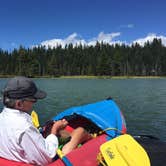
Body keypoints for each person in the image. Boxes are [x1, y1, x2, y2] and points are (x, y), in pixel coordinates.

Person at [0, 76, 91, 166]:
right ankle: (93, 141)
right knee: (80, 131)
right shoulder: (24, 128)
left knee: (52, 131)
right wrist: (55, 129)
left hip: (15, 158)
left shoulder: (2, 117)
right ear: (19, 104)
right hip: (48, 161)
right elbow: (47, 158)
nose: (34, 103)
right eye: (33, 100)